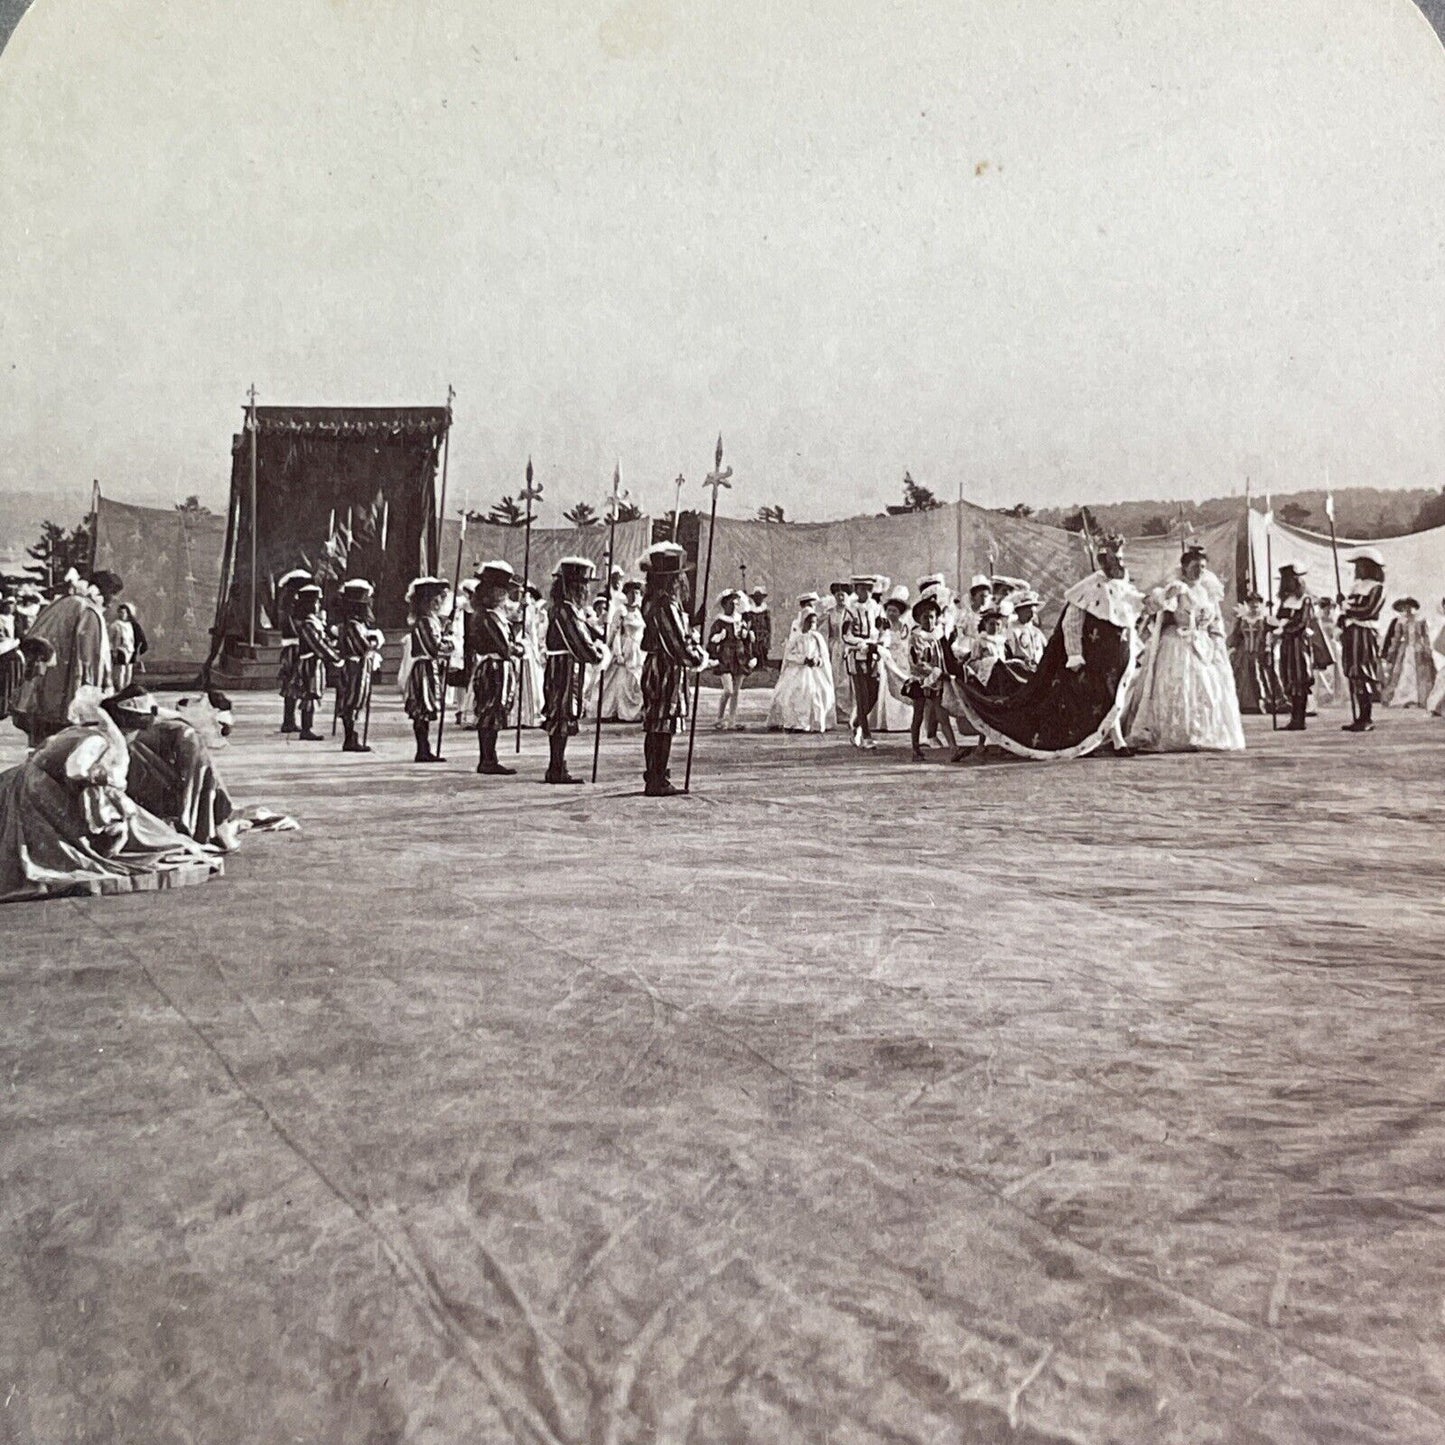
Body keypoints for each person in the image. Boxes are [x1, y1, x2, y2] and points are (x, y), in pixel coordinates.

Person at [0, 704, 221, 903]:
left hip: (31, 782)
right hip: (42, 790)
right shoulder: (98, 739)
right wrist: (104, 780)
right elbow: (75, 769)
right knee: (131, 828)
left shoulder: (85, 730)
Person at [1125, 544, 1245, 752]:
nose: (1200, 571)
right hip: (1176, 643)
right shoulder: (1177, 587)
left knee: (1207, 689)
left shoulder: (1208, 590)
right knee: (1178, 685)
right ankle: (1175, 734)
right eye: (1195, 566)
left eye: (1203, 567)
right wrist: (1169, 596)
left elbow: (1215, 620)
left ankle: (1200, 733)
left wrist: (1217, 640)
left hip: (1202, 643)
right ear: (1184, 567)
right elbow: (1160, 606)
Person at [101, 684, 239, 849]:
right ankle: (207, 820)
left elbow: (154, 712)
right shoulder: (172, 728)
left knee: (192, 750)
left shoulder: (178, 728)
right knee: (189, 747)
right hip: (137, 756)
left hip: (151, 751)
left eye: (198, 701)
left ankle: (207, 819)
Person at [10, 568, 122, 746]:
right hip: (66, 700)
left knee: (40, 749)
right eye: (114, 594)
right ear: (104, 592)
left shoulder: (60, 604)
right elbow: (91, 661)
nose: (114, 601)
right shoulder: (89, 611)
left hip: (41, 695)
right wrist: (96, 697)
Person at [639, 542, 708, 795]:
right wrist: (698, 657)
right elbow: (677, 643)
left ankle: (656, 775)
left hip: (658, 665)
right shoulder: (665, 604)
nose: (683, 580)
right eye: (680, 576)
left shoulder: (652, 601)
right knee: (663, 724)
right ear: (672, 579)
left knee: (656, 724)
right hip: (665, 669)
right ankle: (657, 780)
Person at [542, 557, 607, 784]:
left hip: (568, 668)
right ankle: (556, 767)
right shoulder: (565, 611)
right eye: (583, 587)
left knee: (564, 715)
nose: (586, 592)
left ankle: (557, 764)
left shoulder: (570, 610)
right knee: (561, 715)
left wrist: (601, 634)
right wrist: (598, 654)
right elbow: (579, 642)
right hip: (563, 669)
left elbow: (589, 633)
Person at [466, 560, 525, 776]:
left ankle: (490, 757)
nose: (505, 594)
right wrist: (518, 649)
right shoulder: (487, 617)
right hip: (493, 668)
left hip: (497, 667)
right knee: (490, 711)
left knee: (495, 711)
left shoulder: (493, 614)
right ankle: (487, 759)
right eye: (502, 590)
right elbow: (504, 647)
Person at [400, 576, 455, 762]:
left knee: (425, 710)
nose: (440, 601)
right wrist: (449, 645)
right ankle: (422, 749)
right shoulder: (424, 621)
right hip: (423, 668)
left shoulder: (431, 620)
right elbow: (433, 647)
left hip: (429, 667)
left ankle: (425, 748)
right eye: (436, 598)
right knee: (422, 709)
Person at [904, 595, 961, 762]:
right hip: (921, 682)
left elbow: (943, 657)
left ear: (936, 619)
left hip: (936, 682)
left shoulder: (937, 636)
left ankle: (954, 748)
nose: (928, 621)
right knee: (918, 714)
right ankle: (915, 748)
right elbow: (919, 663)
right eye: (925, 617)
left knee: (942, 714)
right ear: (918, 619)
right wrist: (938, 673)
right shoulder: (916, 637)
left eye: (931, 617)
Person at [766, 594, 834, 733]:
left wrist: (817, 661)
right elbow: (789, 655)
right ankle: (794, 722)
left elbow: (823, 655)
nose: (812, 625)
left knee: (817, 692)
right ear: (803, 621)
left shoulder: (817, 638)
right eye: (809, 622)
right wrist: (802, 660)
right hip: (797, 669)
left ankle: (814, 722)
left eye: (814, 622)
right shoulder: (796, 638)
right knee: (792, 692)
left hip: (814, 671)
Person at [283, 583, 341, 743]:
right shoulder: (308, 624)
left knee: (312, 694)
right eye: (316, 602)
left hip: (315, 662)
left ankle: (307, 727)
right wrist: (334, 657)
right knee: (309, 694)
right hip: (309, 663)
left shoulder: (313, 622)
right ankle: (306, 729)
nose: (318, 605)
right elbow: (317, 645)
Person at [1271, 564, 1325, 731]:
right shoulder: (1285, 601)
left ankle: (1299, 719)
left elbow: (1302, 622)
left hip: (1299, 643)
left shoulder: (1305, 600)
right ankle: (1294, 718)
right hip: (1287, 643)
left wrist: (1284, 629)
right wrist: (1273, 623)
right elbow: (1280, 618)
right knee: (1289, 678)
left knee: (1299, 679)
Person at [1338, 547, 1386, 733]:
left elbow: (1369, 611)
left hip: (1366, 634)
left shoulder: (1377, 588)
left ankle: (1366, 717)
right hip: (1352, 633)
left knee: (1363, 671)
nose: (1357, 569)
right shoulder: (1356, 587)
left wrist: (1348, 610)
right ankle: (1359, 717)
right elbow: (1348, 612)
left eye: (1360, 565)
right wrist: (1342, 611)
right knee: (1353, 673)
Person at [335, 578, 384, 753]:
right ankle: (350, 738)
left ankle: (353, 736)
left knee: (355, 701)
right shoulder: (353, 625)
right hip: (354, 667)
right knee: (352, 701)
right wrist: (375, 641)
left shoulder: (354, 624)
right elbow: (362, 647)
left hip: (357, 666)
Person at [841, 574, 884, 748]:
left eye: (868, 588)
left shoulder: (876, 607)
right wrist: (860, 643)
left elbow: (883, 627)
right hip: (857, 654)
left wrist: (881, 642)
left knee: (874, 693)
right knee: (862, 695)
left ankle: (857, 723)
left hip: (873, 654)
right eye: (861, 588)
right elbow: (845, 634)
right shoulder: (850, 609)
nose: (865, 592)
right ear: (856, 590)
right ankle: (866, 735)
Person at [273, 569, 313, 735]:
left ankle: (289, 720)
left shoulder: (287, 601)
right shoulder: (289, 603)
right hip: (294, 646)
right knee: (293, 683)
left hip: (292, 645)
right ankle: (289, 720)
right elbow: (292, 624)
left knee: (292, 684)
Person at [708, 589, 754, 731]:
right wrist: (719, 637)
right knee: (728, 690)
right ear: (724, 605)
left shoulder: (741, 620)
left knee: (737, 691)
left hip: (739, 657)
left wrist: (747, 636)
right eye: (730, 603)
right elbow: (711, 642)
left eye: (735, 603)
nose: (733, 606)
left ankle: (732, 720)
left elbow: (747, 642)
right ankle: (720, 718)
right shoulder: (720, 621)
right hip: (725, 657)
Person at [1228, 590, 1281, 716]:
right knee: (1244, 677)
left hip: (1260, 652)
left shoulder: (1266, 619)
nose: (1254, 606)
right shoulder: (1242, 619)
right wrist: (1232, 647)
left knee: (1262, 676)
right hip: (1244, 653)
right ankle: (1246, 705)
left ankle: (1268, 703)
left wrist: (1269, 646)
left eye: (1256, 603)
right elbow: (1236, 636)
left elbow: (1275, 633)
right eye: (1251, 603)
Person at [601, 578, 646, 722]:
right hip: (625, 648)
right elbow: (615, 633)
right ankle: (623, 712)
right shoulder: (621, 610)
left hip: (638, 650)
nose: (634, 596)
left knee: (636, 682)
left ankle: (634, 712)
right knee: (623, 681)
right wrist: (618, 653)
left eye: (637, 593)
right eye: (631, 593)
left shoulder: (639, 612)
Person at [1382, 596, 1436, 709]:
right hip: (1405, 649)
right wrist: (1391, 652)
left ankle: (1419, 699)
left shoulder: (1421, 620)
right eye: (1404, 607)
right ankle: (1404, 699)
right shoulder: (1401, 622)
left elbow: (1425, 637)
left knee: (1420, 675)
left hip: (1418, 649)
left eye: (1409, 607)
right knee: (1405, 673)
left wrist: (1427, 649)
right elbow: (1396, 638)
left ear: (1413, 607)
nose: (1407, 609)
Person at [875, 585, 915, 732]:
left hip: (901, 660)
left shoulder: (904, 627)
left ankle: (903, 722)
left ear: (900, 613)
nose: (891, 613)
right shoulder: (883, 625)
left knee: (903, 685)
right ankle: (887, 722)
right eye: (889, 610)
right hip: (886, 659)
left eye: (895, 611)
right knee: (887, 687)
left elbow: (907, 643)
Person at [820, 580, 853, 725]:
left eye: (843, 595)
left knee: (847, 680)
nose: (841, 598)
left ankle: (848, 711)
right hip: (834, 647)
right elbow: (825, 632)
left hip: (849, 646)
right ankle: (836, 711)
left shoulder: (852, 612)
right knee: (835, 678)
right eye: (838, 595)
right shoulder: (830, 613)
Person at [516, 584, 547, 729]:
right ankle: (516, 715)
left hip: (528, 645)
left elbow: (534, 632)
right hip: (519, 644)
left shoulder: (533, 611)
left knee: (531, 681)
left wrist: (537, 648)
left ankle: (529, 714)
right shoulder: (518, 609)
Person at [109, 602, 148, 690]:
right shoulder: (115, 625)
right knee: (120, 671)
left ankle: (126, 689)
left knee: (128, 671)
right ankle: (120, 688)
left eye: (123, 613)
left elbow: (132, 638)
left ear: (127, 614)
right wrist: (113, 651)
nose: (121, 615)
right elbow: (110, 639)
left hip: (130, 650)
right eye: (120, 612)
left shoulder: (130, 625)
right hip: (120, 649)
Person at [1314, 596, 1345, 706]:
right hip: (1322, 645)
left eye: (1330, 607)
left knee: (1336, 670)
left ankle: (1336, 696)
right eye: (1327, 607)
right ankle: (1325, 695)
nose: (1329, 609)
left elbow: (1337, 631)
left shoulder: (1334, 617)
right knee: (1325, 672)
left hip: (1333, 645)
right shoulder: (1317, 617)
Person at [1007, 591, 1048, 672]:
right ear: (1019, 611)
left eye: (1033, 612)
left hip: (1037, 670)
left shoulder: (1037, 632)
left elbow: (1046, 649)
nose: (1031, 616)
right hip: (1019, 669)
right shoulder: (1011, 629)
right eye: (1028, 612)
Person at [0, 595, 21, 720]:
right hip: (4, 650)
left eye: (12, 604)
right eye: (8, 604)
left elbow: (20, 635)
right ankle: (3, 707)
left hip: (13, 649)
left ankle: (11, 707)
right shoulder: (1, 619)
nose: (10, 606)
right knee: (5, 681)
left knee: (14, 679)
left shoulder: (16, 619)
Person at [747, 587, 772, 670]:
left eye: (760, 597)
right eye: (757, 597)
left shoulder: (765, 611)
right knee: (755, 649)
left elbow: (768, 624)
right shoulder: (750, 611)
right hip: (754, 633)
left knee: (763, 648)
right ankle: (756, 665)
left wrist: (768, 634)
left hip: (763, 633)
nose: (758, 599)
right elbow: (748, 622)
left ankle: (763, 664)